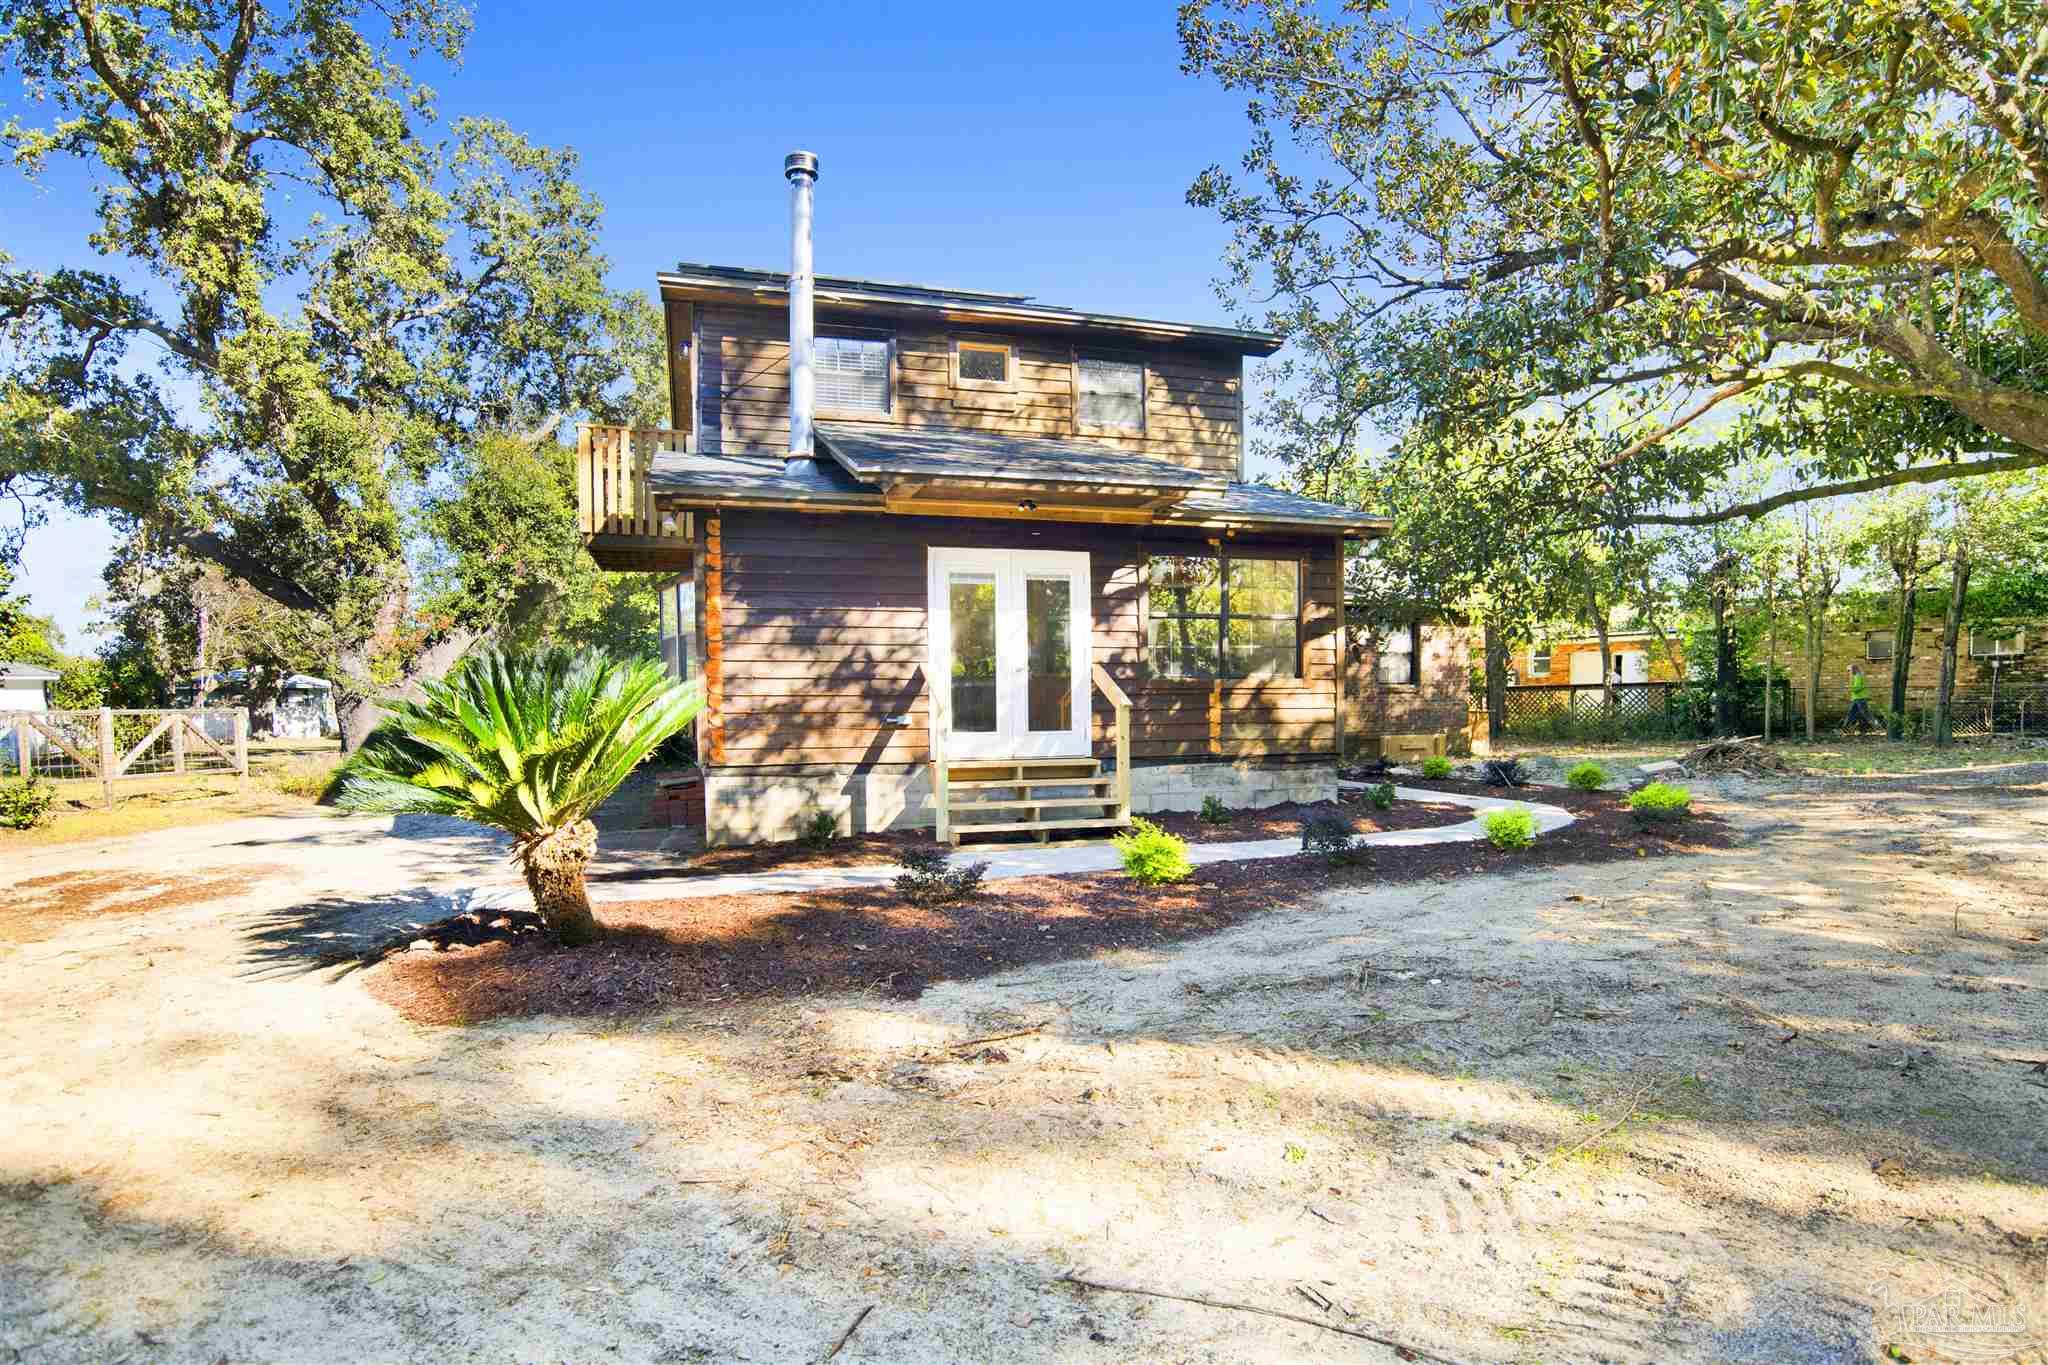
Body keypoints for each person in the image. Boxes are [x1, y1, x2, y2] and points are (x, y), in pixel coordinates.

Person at [1845, 664, 1874, 734]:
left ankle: (1877, 727)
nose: (1848, 672)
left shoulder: (1858, 676)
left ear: (1853, 669)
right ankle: (1847, 728)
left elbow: (1857, 688)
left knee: (1866, 714)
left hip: (1860, 698)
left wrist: (1849, 688)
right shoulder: (1857, 676)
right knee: (1852, 714)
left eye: (1849, 670)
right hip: (1857, 698)